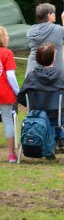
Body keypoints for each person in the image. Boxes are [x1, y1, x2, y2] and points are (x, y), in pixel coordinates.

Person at [18, 43, 64, 151]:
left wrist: (32, 106)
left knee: (54, 114)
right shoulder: (62, 76)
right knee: (59, 114)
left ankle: (55, 141)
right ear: (53, 58)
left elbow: (20, 97)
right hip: (55, 118)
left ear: (37, 58)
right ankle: (59, 138)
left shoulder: (31, 76)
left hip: (36, 117)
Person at [26, 3, 64, 75]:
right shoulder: (59, 29)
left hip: (33, 71)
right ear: (49, 15)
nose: (55, 14)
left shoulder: (31, 30)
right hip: (54, 73)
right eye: (54, 13)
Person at [0, 26, 20, 163]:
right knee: (8, 120)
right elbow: (10, 76)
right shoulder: (7, 53)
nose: (8, 37)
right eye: (7, 35)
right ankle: (11, 155)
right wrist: (18, 92)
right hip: (4, 92)